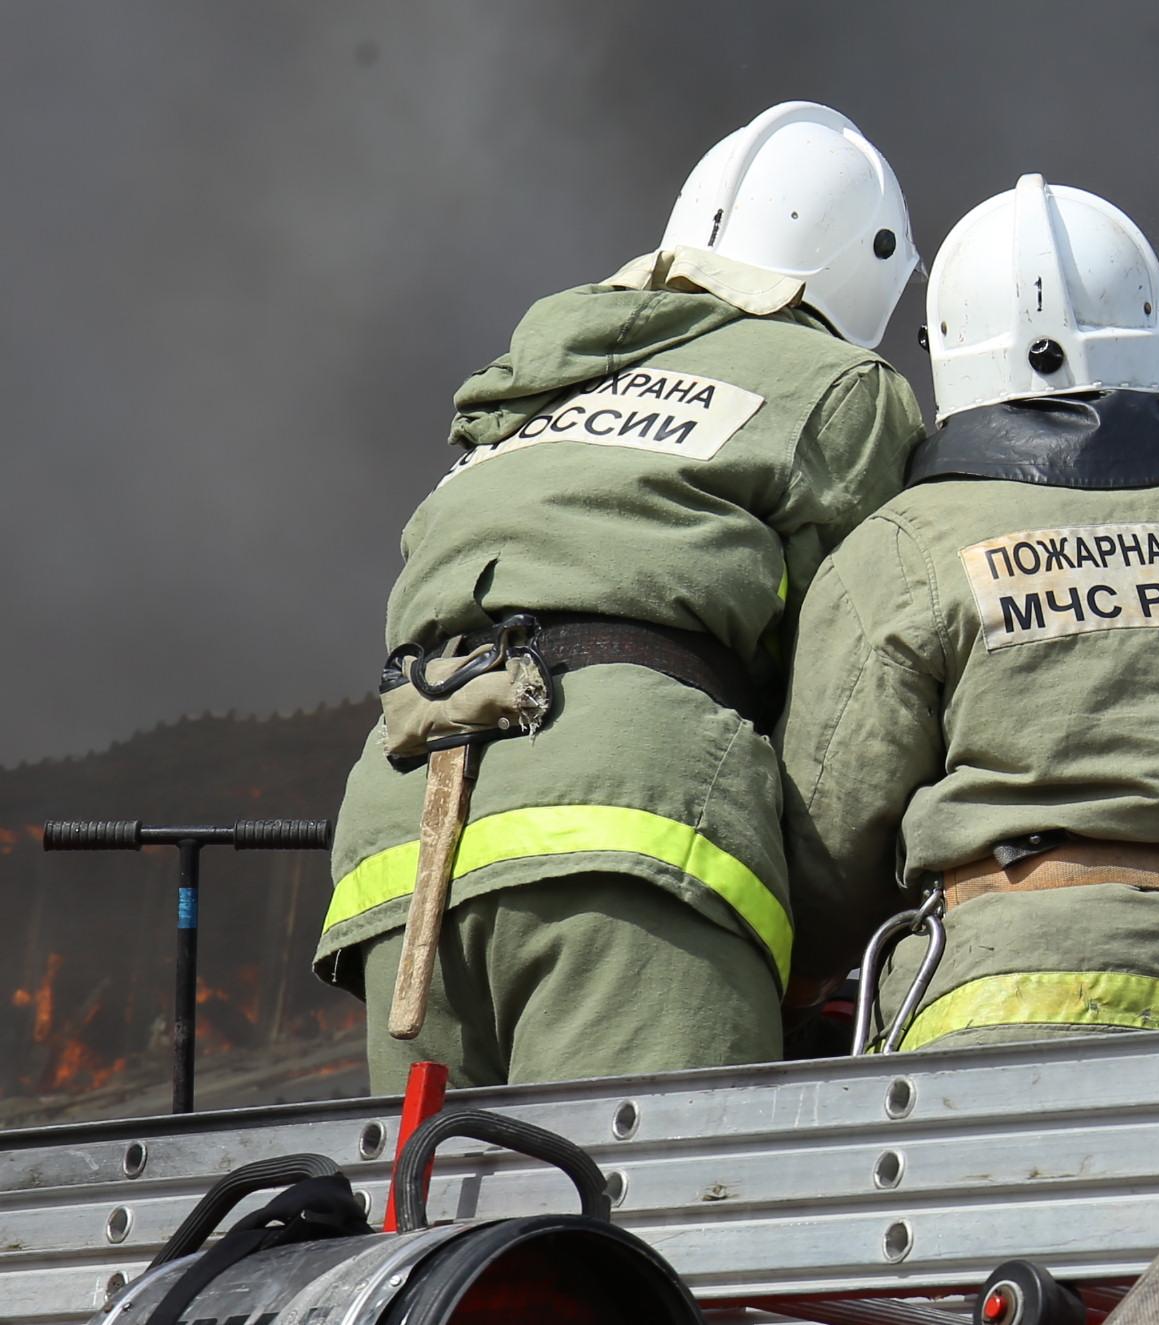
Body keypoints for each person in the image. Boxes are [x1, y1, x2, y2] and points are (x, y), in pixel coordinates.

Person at [320, 102, 928, 1088]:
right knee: (651, 1229)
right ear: (867, 267)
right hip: (629, 830)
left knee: (440, 1231)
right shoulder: (838, 384)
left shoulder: (532, 386)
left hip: (402, 835)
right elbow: (858, 675)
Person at [782, 176, 1159, 1052]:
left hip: (993, 1017)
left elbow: (825, 858)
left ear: (948, 353)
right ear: (1158, 328)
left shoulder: (906, 545)